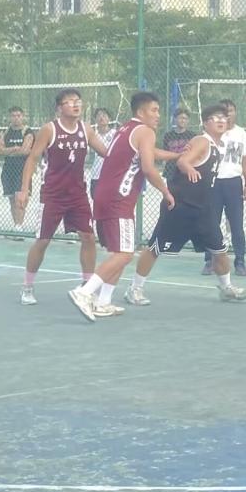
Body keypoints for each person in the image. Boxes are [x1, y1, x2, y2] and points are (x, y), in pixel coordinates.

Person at [124, 104, 246, 305]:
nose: (221, 120)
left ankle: (226, 288)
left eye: (223, 117)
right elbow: (183, 161)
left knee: (219, 250)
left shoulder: (218, 146)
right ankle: (134, 289)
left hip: (203, 209)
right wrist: (188, 167)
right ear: (205, 123)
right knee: (155, 248)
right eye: (215, 117)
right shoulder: (202, 141)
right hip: (180, 206)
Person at [68, 92, 177, 321]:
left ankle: (103, 302)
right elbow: (148, 168)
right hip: (119, 199)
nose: (158, 115)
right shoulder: (145, 131)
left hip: (105, 196)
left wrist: (176, 155)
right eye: (154, 110)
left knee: (119, 252)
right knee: (125, 254)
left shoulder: (125, 129)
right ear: (141, 112)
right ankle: (84, 292)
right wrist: (166, 191)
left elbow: (151, 152)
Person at [15, 88, 110, 305]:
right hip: (53, 195)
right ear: (59, 108)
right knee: (43, 241)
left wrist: (133, 152)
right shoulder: (49, 129)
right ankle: (27, 286)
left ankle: (87, 288)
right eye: (70, 102)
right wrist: (24, 189)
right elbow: (32, 159)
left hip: (78, 195)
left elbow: (107, 153)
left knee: (88, 237)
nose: (76, 105)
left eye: (78, 101)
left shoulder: (86, 129)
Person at [202, 98, 246, 276]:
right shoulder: (210, 134)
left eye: (230, 111)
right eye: (223, 112)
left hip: (233, 183)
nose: (227, 115)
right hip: (214, 183)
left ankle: (240, 261)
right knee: (211, 223)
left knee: (237, 224)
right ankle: (210, 260)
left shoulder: (241, 134)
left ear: (235, 112)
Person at [0, 105, 33, 232]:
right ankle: (16, 225)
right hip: (8, 169)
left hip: (23, 169)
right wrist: (14, 149)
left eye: (18, 115)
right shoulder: (5, 132)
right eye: (13, 116)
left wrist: (8, 151)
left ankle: (19, 226)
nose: (16, 118)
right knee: (12, 199)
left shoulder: (27, 131)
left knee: (20, 199)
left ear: (22, 117)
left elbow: (25, 150)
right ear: (9, 117)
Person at [88, 107, 117, 199]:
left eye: (104, 115)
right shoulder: (93, 135)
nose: (101, 117)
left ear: (109, 118)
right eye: (99, 115)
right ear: (95, 119)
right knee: (96, 200)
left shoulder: (115, 134)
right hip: (96, 175)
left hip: (111, 174)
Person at [162, 108, 194, 182]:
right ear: (175, 119)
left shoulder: (192, 135)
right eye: (180, 118)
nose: (183, 120)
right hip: (171, 170)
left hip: (186, 168)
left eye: (185, 118)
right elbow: (165, 152)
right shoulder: (168, 135)